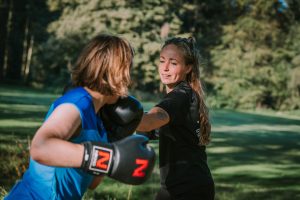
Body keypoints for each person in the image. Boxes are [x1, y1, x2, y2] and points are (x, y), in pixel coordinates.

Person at [5, 34, 155, 200]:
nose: (129, 79)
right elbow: (41, 148)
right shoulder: (78, 101)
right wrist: (108, 158)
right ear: (118, 71)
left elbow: (92, 183)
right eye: (129, 69)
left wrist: (114, 143)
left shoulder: (100, 119)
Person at [136, 37, 215, 200]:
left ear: (188, 67)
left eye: (173, 63)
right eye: (162, 61)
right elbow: (150, 129)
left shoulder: (180, 96)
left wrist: (112, 112)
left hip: (188, 190)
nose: (164, 68)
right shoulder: (184, 96)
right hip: (184, 187)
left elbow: (151, 120)